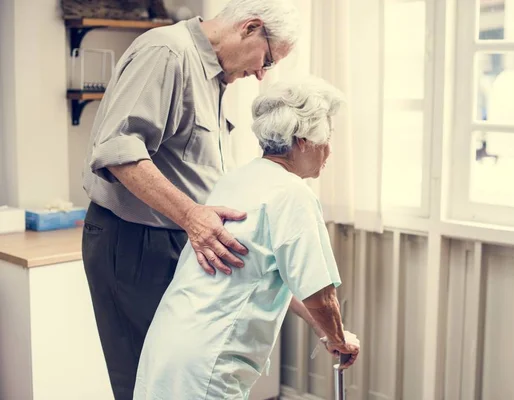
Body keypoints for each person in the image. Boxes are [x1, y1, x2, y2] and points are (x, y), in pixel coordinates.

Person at [80, 1, 300, 398]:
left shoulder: (212, 74)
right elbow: (117, 151)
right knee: (148, 381)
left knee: (182, 380)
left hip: (178, 237)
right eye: (266, 59)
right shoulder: (166, 52)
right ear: (250, 28)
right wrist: (193, 216)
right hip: (136, 241)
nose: (260, 74)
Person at [132, 77, 360, 399]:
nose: (330, 150)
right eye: (328, 136)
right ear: (304, 140)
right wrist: (339, 339)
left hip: (168, 346)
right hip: (208, 362)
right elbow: (321, 295)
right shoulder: (293, 194)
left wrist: (325, 331)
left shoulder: (239, 179)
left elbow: (272, 272)